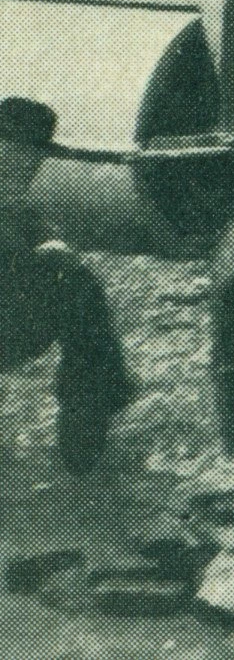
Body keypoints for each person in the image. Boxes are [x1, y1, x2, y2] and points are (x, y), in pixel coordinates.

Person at [2, 100, 137, 474]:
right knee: (76, 285)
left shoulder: (17, 199)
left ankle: (87, 414)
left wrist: (52, 250)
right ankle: (90, 413)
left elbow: (30, 224)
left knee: (79, 286)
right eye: (13, 152)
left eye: (31, 156)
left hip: (12, 318)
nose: (24, 164)